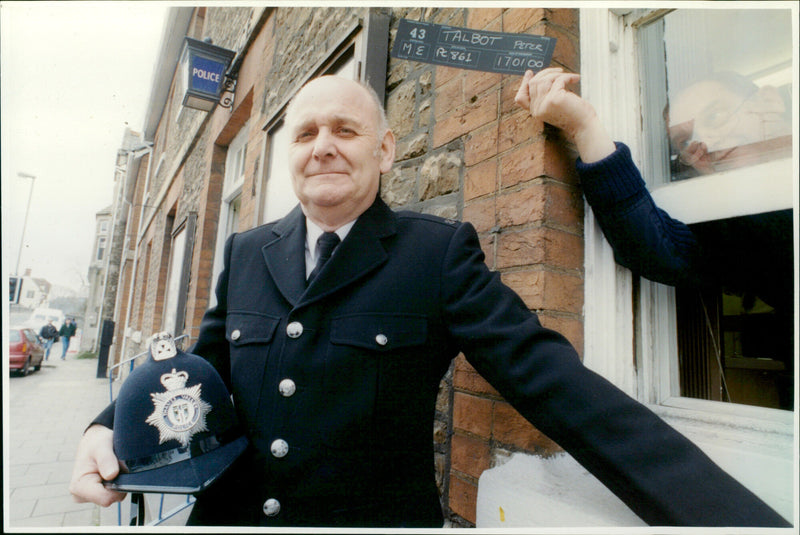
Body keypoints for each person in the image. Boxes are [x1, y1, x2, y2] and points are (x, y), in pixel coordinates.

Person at [70, 75, 790, 528]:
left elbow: (559, 386)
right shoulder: (244, 250)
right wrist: (109, 433)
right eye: (307, 133)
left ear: (385, 152)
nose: (323, 146)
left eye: (345, 131)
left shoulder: (435, 255)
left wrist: (728, 518)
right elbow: (198, 371)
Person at [515, 67, 793, 408]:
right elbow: (655, 246)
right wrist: (583, 126)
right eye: (685, 141)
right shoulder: (735, 231)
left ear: (769, 102)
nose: (702, 142)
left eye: (716, 114)